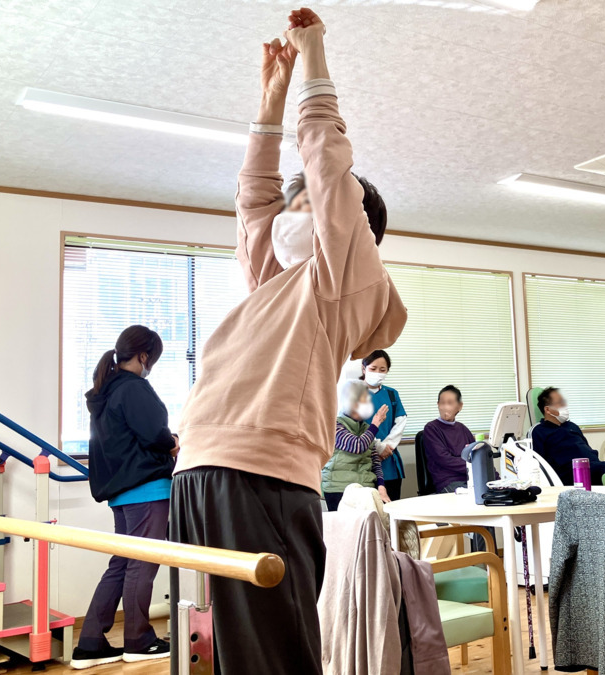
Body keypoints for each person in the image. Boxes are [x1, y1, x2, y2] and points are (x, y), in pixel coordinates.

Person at [169, 9, 407, 674]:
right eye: (293, 205)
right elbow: (254, 197)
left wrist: (313, 57)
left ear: (354, 231)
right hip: (201, 468)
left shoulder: (342, 281)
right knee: (231, 655)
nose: (292, 213)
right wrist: (269, 102)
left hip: (262, 473)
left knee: (274, 654)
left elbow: (327, 163)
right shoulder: (270, 277)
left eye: (310, 206)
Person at [72, 326, 176, 669]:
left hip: (121, 492)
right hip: (146, 488)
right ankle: (138, 640)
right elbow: (155, 434)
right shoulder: (133, 387)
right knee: (142, 563)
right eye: (153, 359)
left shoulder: (106, 391)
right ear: (144, 356)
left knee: (121, 563)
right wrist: (173, 442)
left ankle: (90, 642)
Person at [322, 380, 390, 510]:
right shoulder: (334, 425)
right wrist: (376, 424)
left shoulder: (366, 428)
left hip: (365, 488)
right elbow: (357, 446)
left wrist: (381, 487)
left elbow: (375, 461)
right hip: (339, 488)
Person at [530, 387, 605, 486]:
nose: (565, 406)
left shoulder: (572, 426)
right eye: (560, 403)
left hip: (594, 466)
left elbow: (587, 449)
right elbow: (536, 462)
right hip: (569, 473)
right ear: (548, 409)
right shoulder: (538, 431)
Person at [361, 350, 408, 501]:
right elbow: (353, 427)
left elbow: (400, 421)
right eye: (373, 368)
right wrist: (377, 447)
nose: (377, 373)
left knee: (391, 508)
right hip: (364, 461)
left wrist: (387, 447)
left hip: (389, 462)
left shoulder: (392, 394)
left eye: (382, 370)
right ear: (364, 368)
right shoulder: (354, 394)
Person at [422, 385, 475, 493]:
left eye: (450, 403)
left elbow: (477, 455)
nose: (445, 407)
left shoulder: (463, 429)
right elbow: (444, 460)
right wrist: (473, 465)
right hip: (448, 481)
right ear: (438, 405)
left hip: (470, 478)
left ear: (460, 406)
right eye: (442, 403)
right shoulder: (431, 428)